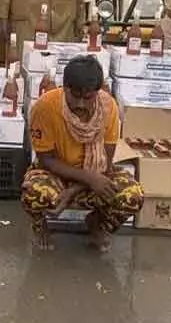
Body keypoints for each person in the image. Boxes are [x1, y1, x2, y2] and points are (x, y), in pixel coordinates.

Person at [23, 55, 144, 252]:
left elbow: (106, 162)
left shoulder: (109, 108)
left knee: (133, 195)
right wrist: (87, 179)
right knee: (34, 191)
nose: (80, 103)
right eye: (75, 96)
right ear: (65, 88)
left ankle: (97, 224)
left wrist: (76, 188)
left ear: (97, 92)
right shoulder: (45, 107)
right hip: (57, 173)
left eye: (87, 98)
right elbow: (46, 160)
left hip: (96, 173)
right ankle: (40, 226)